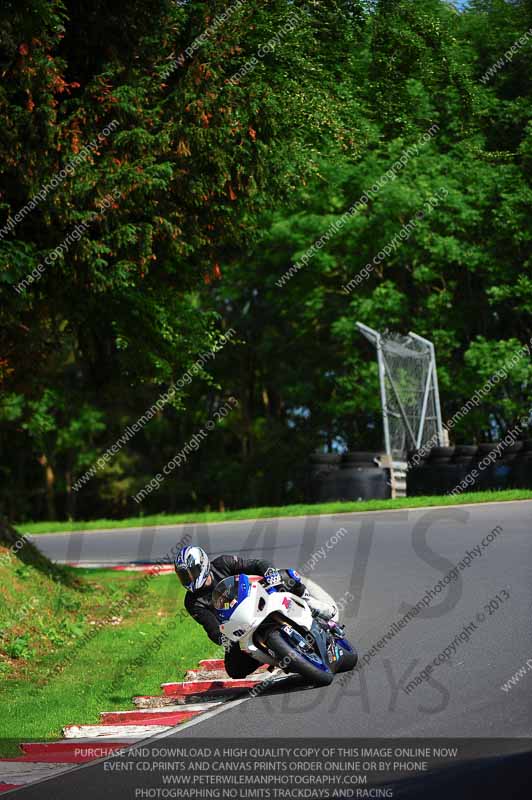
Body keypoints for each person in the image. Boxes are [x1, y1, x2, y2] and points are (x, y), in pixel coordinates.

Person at [175, 545, 336, 678]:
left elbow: (257, 564)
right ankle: (270, 654)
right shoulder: (192, 602)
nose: (188, 579)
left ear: (202, 564)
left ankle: (310, 603)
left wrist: (269, 573)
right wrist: (224, 639)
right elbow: (212, 629)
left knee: (287, 576)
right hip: (238, 626)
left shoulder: (223, 563)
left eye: (191, 573)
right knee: (234, 670)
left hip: (256, 599)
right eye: (184, 576)